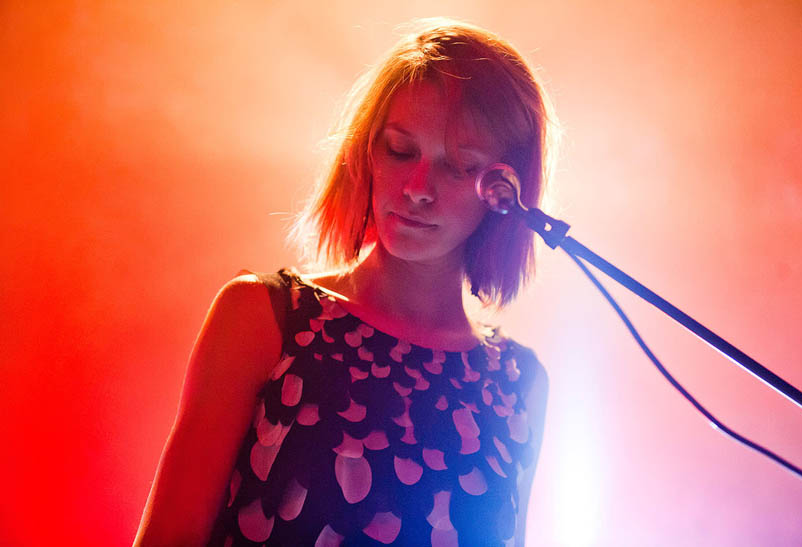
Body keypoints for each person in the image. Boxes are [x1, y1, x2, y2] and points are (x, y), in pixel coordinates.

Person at [134, 17, 559, 546]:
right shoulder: (262, 317)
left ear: (505, 194)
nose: (417, 187)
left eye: (457, 168)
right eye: (400, 151)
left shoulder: (519, 383)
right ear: (365, 154)